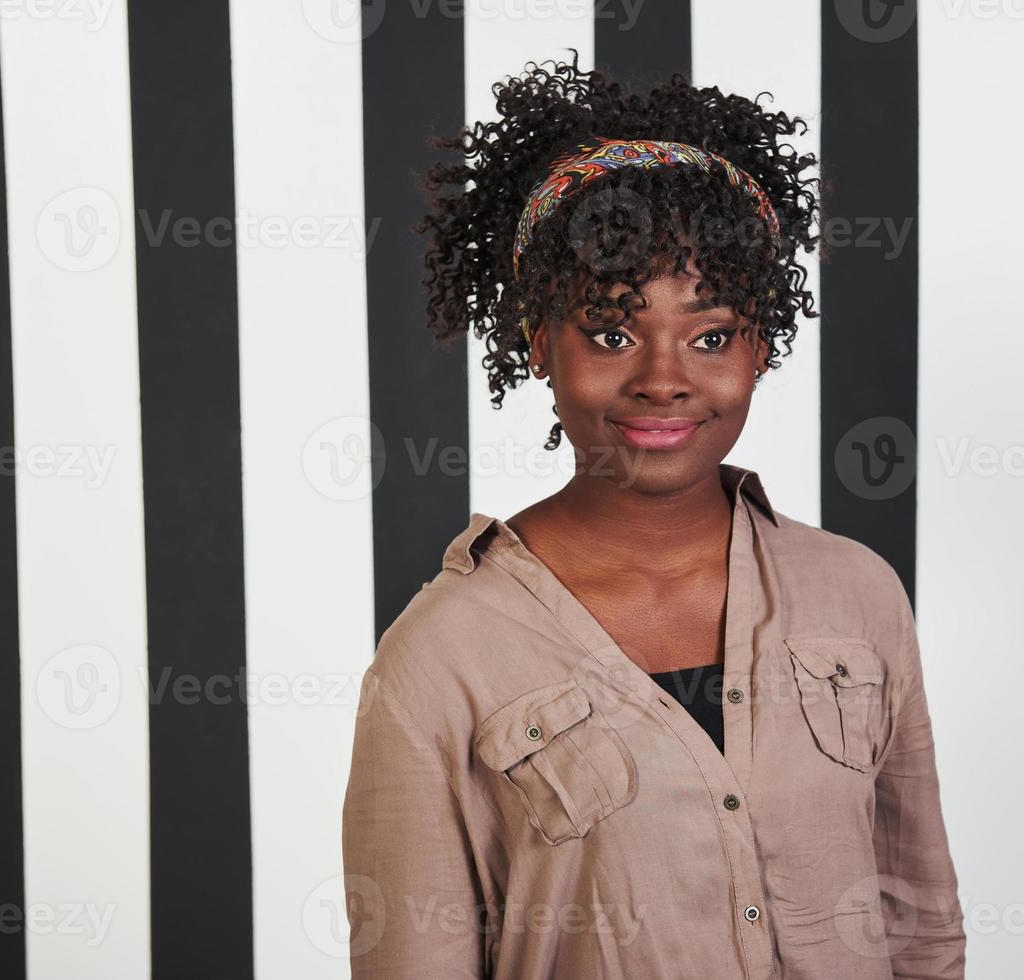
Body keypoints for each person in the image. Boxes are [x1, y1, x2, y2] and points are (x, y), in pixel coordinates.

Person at [341, 52, 966, 979]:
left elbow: (920, 927)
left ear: (760, 345)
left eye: (710, 335)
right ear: (537, 344)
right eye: (610, 331)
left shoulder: (855, 593)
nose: (664, 377)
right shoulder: (441, 656)